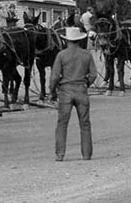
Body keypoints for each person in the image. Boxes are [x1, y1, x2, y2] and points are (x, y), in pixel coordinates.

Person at [48, 26, 98, 162]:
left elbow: (54, 77)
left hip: (65, 91)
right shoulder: (86, 55)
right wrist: (86, 83)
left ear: (67, 41)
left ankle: (60, 154)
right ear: (79, 40)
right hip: (81, 89)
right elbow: (94, 74)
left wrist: (52, 91)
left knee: (62, 123)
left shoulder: (61, 55)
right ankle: (86, 154)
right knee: (85, 123)